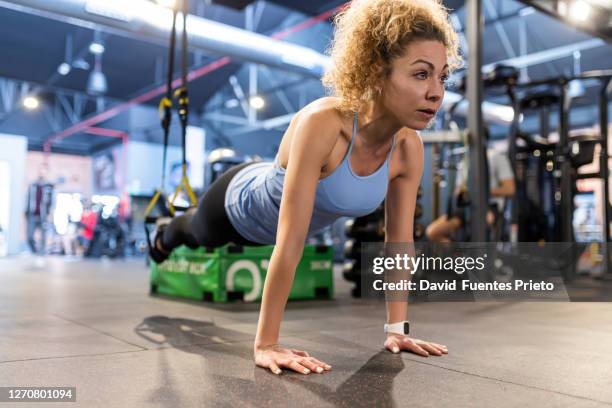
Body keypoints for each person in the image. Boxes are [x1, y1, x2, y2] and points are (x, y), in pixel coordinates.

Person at [150, 0, 460, 375]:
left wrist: (397, 329)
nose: (436, 92)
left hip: (274, 220)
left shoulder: (408, 149)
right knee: (196, 233)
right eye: (421, 74)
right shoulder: (325, 122)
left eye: (442, 77)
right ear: (378, 72)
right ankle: (166, 233)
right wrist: (266, 344)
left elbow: (399, 244)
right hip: (239, 205)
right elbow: (290, 241)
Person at [426, 147, 515, 243]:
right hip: (466, 208)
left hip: (489, 207)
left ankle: (478, 253)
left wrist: (480, 192)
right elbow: (459, 189)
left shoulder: (497, 157)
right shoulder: (465, 161)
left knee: (483, 223)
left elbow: (510, 190)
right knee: (433, 232)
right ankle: (458, 254)